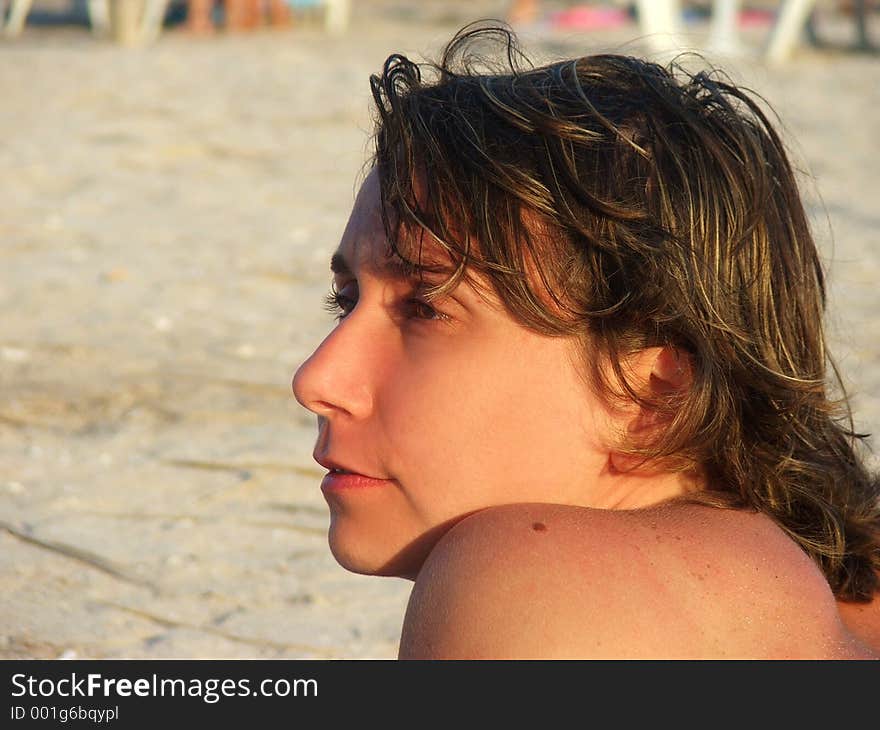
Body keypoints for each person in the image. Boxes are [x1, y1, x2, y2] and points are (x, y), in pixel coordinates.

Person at [292, 23, 880, 659]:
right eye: (344, 302)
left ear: (653, 391)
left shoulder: (538, 581)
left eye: (426, 308)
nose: (316, 381)